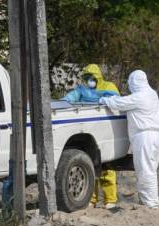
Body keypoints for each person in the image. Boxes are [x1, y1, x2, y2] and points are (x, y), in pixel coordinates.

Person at [100, 70, 159, 208]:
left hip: (145, 138)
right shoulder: (152, 94)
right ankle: (152, 201)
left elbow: (118, 104)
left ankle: (150, 204)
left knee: (145, 172)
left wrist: (104, 99)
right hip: (155, 136)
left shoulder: (139, 97)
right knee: (151, 170)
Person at [62, 64, 119, 209]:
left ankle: (110, 200)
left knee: (107, 168)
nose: (89, 81)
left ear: (97, 77)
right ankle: (92, 200)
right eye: (86, 78)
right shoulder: (83, 90)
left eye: (91, 78)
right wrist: (61, 102)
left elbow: (116, 101)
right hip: (89, 133)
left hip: (106, 132)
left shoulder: (109, 86)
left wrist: (99, 98)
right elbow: (70, 98)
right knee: (91, 169)